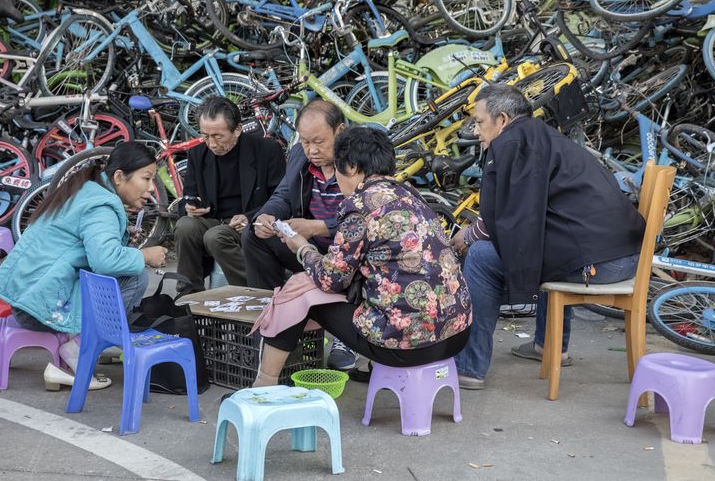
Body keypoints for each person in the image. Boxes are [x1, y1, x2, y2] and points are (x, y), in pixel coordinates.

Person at [451, 85, 645, 389]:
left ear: (501, 119)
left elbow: (506, 217)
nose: (476, 131)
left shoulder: (512, 143)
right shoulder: (545, 136)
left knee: (480, 257)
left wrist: (470, 235)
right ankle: (547, 345)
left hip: (600, 263)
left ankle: (468, 368)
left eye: (478, 121)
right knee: (537, 245)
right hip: (624, 254)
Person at [251, 127, 472, 387]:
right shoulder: (411, 195)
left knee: (299, 288)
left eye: (337, 168)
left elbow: (329, 279)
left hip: (409, 345)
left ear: (352, 167)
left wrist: (301, 248)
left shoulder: (359, 206)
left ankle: (263, 386)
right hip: (457, 334)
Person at [0, 142, 169, 391]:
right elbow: (104, 261)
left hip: (27, 297)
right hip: (38, 308)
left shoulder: (87, 189)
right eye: (146, 178)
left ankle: (94, 341)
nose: (151, 189)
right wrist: (145, 255)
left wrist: (122, 237)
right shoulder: (102, 205)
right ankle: (80, 348)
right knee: (136, 276)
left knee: (121, 270)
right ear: (119, 177)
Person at [242, 98, 357, 370]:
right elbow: (283, 193)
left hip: (349, 252)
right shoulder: (299, 155)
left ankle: (348, 335)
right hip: (310, 247)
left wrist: (318, 226)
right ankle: (272, 322)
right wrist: (266, 216)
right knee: (255, 235)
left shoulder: (359, 160)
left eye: (319, 141)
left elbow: (368, 217)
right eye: (305, 141)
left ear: (340, 132)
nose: (312, 150)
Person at [174, 96, 286, 291]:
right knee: (185, 226)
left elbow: (281, 199)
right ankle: (189, 296)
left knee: (215, 236)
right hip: (214, 219)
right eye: (205, 136)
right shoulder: (197, 154)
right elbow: (187, 198)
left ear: (237, 130)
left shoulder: (267, 150)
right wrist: (189, 208)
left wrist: (250, 217)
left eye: (218, 136)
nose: (212, 143)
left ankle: (259, 291)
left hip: (250, 221)